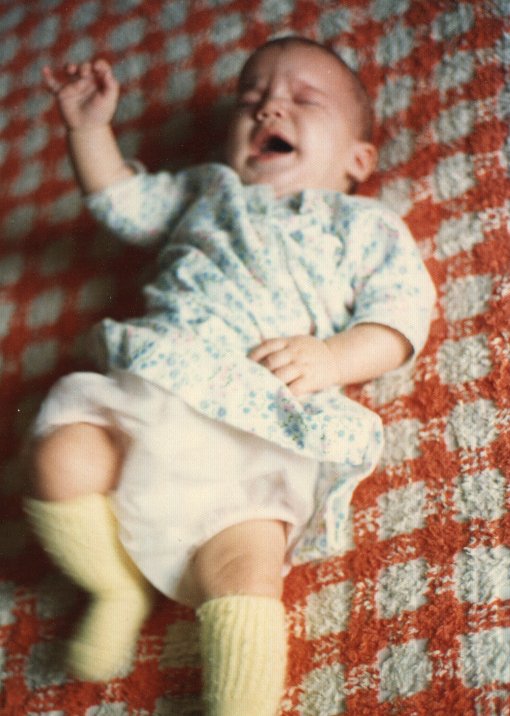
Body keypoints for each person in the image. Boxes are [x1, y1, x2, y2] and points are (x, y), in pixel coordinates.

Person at [25, 37, 435, 716]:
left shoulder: (361, 223)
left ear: (358, 160)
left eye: (304, 99)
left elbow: (400, 316)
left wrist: (333, 357)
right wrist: (88, 129)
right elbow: (119, 199)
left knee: (245, 570)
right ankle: (112, 586)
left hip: (259, 424)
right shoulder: (203, 190)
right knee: (58, 456)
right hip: (152, 389)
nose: (269, 107)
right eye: (252, 100)